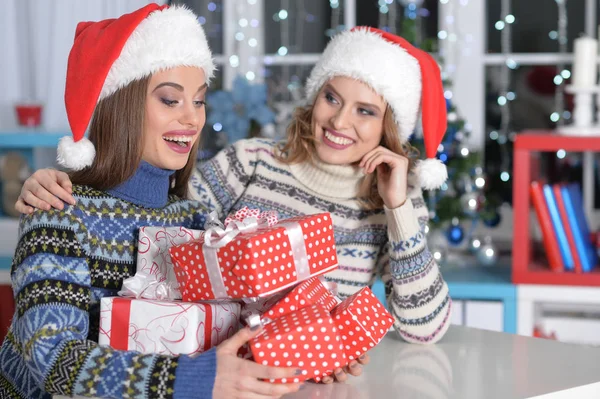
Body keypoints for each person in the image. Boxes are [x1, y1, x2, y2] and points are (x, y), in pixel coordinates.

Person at [16, 26, 453, 383]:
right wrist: (59, 184)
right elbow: (49, 352)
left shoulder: (187, 218)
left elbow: (217, 323)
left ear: (389, 126)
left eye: (200, 100)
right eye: (332, 98)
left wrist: (315, 348)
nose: (340, 121)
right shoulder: (234, 177)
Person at [1, 4, 301, 399]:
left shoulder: (197, 221)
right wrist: (188, 380)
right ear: (121, 104)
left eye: (198, 100)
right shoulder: (60, 215)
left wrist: (309, 359)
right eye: (170, 100)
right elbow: (52, 359)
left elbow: (227, 335)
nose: (193, 119)